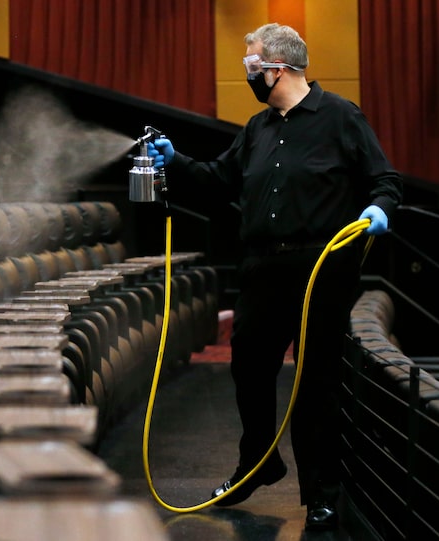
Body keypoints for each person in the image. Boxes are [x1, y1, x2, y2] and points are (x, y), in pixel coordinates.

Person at [148, 23, 402, 531]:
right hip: (263, 267)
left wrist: (379, 209)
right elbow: (219, 181)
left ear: (277, 68)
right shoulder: (257, 129)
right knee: (249, 370)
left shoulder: (340, 117)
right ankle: (258, 464)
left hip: (319, 270)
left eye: (251, 64)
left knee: (315, 383)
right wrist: (176, 163)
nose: (248, 72)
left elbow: (384, 180)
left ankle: (322, 491)